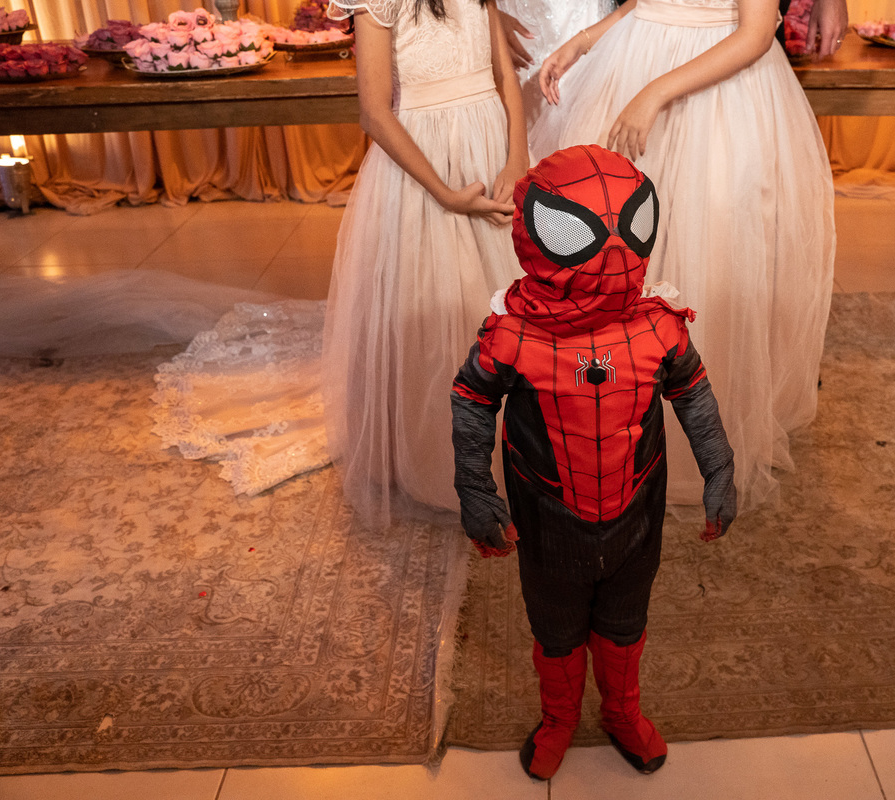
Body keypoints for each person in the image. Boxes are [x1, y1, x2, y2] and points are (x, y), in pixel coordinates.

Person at [451, 145, 737, 780]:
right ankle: (558, 718)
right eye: (580, 233)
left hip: (638, 511)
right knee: (555, 627)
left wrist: (719, 467)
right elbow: (472, 397)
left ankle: (620, 712)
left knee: (626, 620)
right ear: (540, 232)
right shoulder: (512, 334)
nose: (611, 252)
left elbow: (693, 391)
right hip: (548, 519)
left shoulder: (660, 326)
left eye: (626, 230)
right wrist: (474, 487)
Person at [529, 0, 845, 514]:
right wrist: (585, 41)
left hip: (714, 89)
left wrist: (654, 93)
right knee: (615, 251)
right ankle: (610, 415)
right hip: (633, 55)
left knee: (706, 246)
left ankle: (688, 427)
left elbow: (757, 32)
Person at [323, 0, 529, 524]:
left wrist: (517, 159)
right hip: (425, 165)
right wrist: (444, 193)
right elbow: (374, 111)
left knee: (508, 307)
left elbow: (505, 78)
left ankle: (522, 451)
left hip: (489, 144)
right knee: (438, 303)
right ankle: (439, 457)